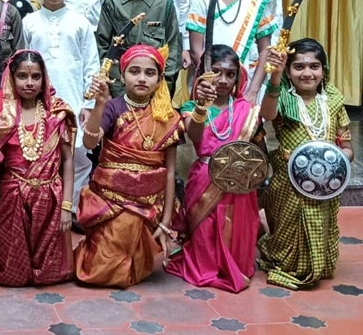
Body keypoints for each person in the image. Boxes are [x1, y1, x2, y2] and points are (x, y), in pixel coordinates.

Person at [76, 45, 183, 288]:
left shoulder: (168, 117)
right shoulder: (113, 107)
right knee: (99, 271)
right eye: (134, 71)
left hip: (149, 203)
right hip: (112, 200)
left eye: (149, 73)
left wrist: (165, 221)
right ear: (122, 76)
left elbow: (169, 172)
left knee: (133, 267)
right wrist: (99, 104)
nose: (142, 78)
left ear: (160, 79)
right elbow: (90, 142)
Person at [165, 45, 263, 293]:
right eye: (216, 72)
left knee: (236, 224)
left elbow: (257, 148)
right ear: (203, 75)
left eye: (230, 74)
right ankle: (207, 265)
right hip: (205, 177)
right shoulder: (190, 107)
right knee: (206, 227)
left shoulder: (244, 108)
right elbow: (195, 136)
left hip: (239, 179)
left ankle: (234, 264)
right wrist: (201, 106)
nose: (223, 80)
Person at [258, 39, 353, 290]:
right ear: (288, 71)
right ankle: (285, 261)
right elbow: (267, 115)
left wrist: (336, 161)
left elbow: (347, 146)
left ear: (324, 70)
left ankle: (316, 263)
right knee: (287, 229)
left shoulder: (334, 100)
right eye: (298, 67)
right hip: (288, 182)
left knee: (321, 223)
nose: (307, 73)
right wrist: (275, 76)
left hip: (324, 185)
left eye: (314, 66)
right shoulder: (282, 97)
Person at [0, 50, 77, 286]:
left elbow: (68, 161)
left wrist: (66, 206)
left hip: (50, 199)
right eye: (22, 76)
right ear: (12, 78)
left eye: (35, 77)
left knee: (51, 274)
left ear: (44, 79)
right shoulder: (1, 115)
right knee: (11, 275)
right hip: (14, 197)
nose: (29, 83)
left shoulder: (57, 113)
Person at [22, 0, 99, 222]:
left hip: (74, 99)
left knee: (78, 157)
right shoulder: (29, 21)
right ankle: (43, 212)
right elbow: (21, 64)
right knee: (40, 155)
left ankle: (73, 211)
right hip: (39, 102)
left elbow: (91, 64)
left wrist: (89, 105)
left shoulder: (80, 22)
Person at [188, 0, 278, 102]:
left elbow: (265, 51)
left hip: (247, 82)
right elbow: (196, 50)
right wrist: (211, 81)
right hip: (210, 84)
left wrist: (252, 91)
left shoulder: (256, 2)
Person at [98, 0, 181, 96]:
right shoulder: (112, 4)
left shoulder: (164, 4)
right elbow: (102, 46)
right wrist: (109, 86)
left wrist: (165, 85)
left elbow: (173, 47)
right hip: (118, 85)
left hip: (155, 84)